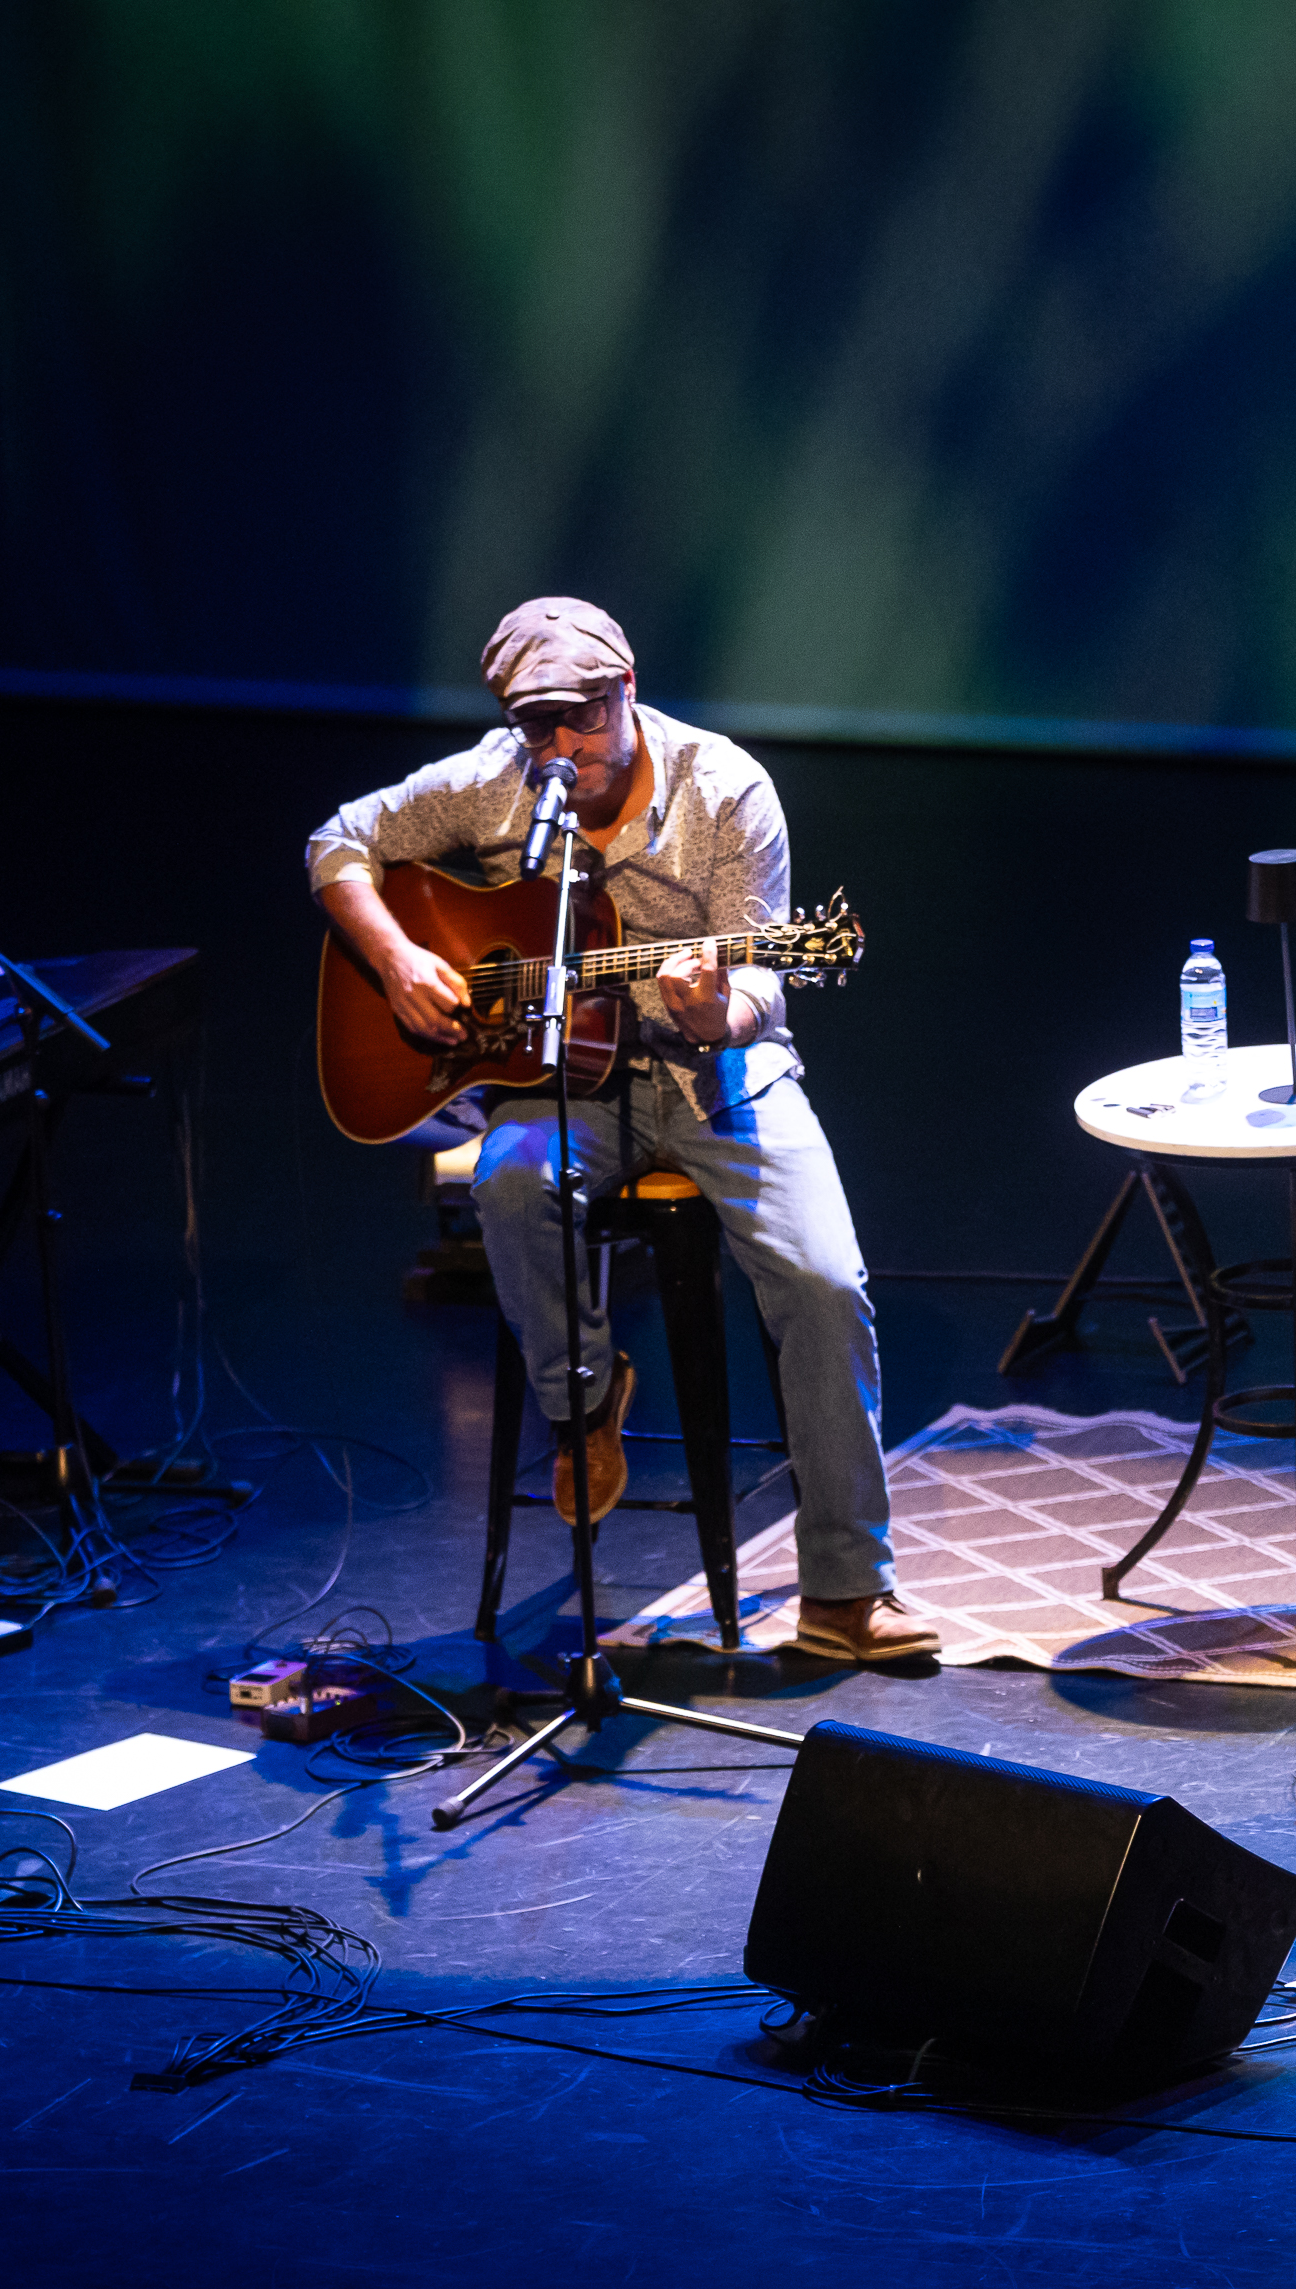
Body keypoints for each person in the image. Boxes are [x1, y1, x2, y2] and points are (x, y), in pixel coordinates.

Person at [305, 595, 934, 1662]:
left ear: (628, 690)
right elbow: (337, 841)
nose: (565, 746)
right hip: (562, 1083)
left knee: (825, 1280)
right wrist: (400, 959)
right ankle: (584, 1405)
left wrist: (712, 1008)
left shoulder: (725, 788)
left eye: (584, 718)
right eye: (538, 724)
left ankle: (846, 1589)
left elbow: (767, 986)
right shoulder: (492, 786)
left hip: (718, 1076)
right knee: (506, 1180)